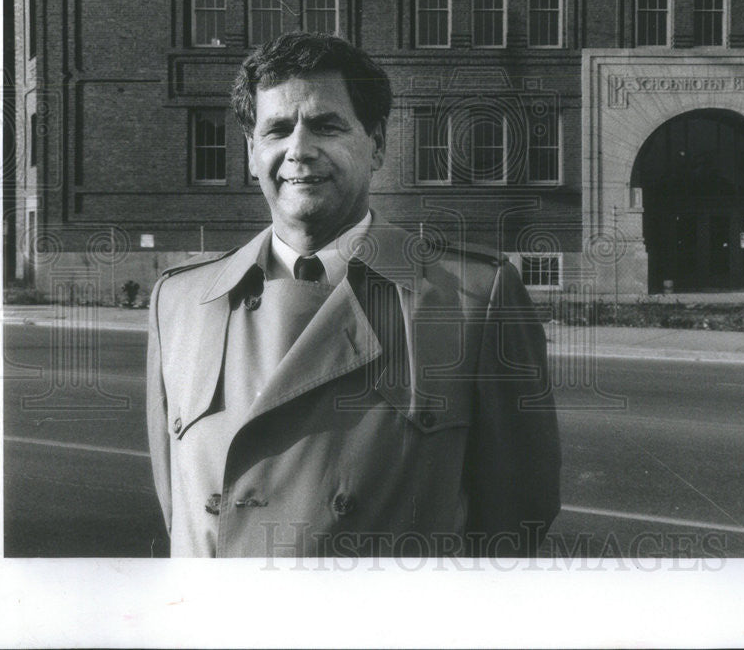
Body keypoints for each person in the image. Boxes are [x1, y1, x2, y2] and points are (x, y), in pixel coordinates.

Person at [146, 32, 560, 558]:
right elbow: (176, 508)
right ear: (252, 153)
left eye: (326, 125)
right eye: (276, 130)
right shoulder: (179, 303)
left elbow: (516, 518)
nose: (299, 149)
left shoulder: (473, 299)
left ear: (378, 144)